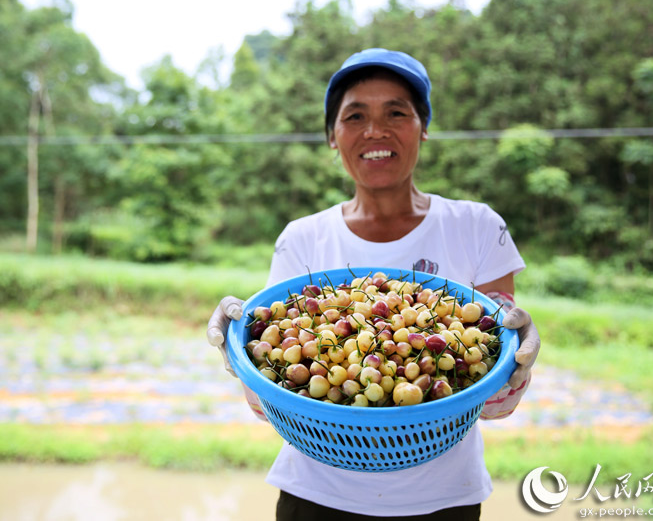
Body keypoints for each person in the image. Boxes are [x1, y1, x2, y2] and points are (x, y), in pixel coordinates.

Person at [206, 48, 541, 521]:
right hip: (315, 497)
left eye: (396, 113)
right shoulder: (302, 238)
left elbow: (492, 401)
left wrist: (516, 359)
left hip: (445, 499)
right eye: (355, 115)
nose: (375, 130)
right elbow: (269, 403)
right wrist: (243, 347)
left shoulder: (477, 226)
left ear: (424, 127)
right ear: (331, 135)